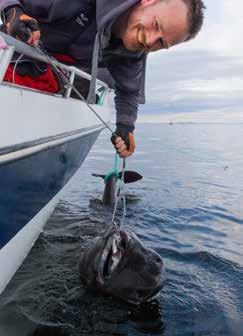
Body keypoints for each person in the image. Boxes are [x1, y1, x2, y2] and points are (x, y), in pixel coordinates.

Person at [0, 0, 205, 157]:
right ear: (147, 1)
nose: (150, 41)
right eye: (156, 24)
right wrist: (11, 10)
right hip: (13, 49)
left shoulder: (132, 52)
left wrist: (126, 127)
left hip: (53, 78)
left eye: (162, 43)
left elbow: (129, 91)